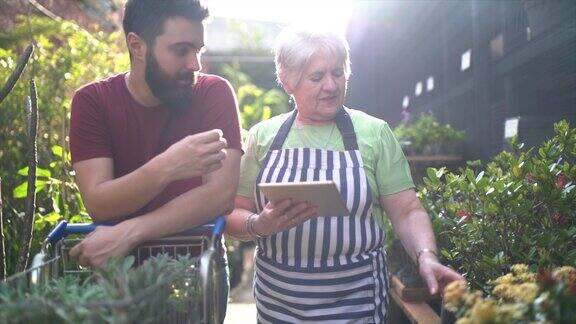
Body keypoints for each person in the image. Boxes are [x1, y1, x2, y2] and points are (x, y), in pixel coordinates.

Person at [226, 26, 464, 323]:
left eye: (338, 73)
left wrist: (426, 256)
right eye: (317, 77)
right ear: (288, 81)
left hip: (357, 302)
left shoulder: (374, 133)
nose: (331, 85)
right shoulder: (263, 137)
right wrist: (258, 224)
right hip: (280, 303)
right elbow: (234, 212)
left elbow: (407, 211)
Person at [68, 0, 241, 280]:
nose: (195, 64)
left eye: (198, 50)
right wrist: (169, 166)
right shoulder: (93, 102)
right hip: (118, 276)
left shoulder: (214, 93)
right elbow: (99, 202)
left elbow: (220, 196)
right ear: (137, 46)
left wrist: (130, 232)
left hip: (197, 274)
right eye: (181, 50)